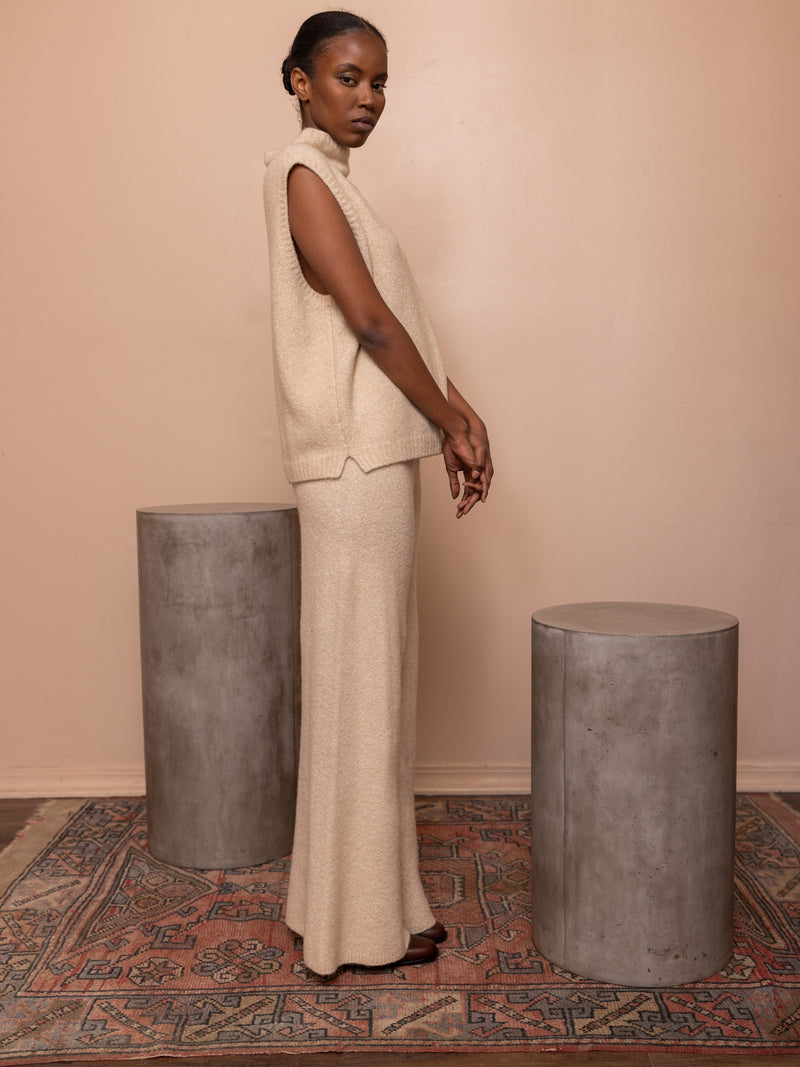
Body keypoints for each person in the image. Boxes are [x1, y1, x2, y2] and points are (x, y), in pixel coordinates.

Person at [263, 10, 493, 976]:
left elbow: (395, 320)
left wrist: (456, 407)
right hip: (355, 464)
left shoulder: (340, 184)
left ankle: (365, 903)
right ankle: (356, 927)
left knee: (371, 685)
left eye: (380, 81)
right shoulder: (304, 174)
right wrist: (447, 422)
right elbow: (367, 321)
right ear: (300, 81)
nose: (368, 98)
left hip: (372, 457)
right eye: (348, 77)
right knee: (361, 688)